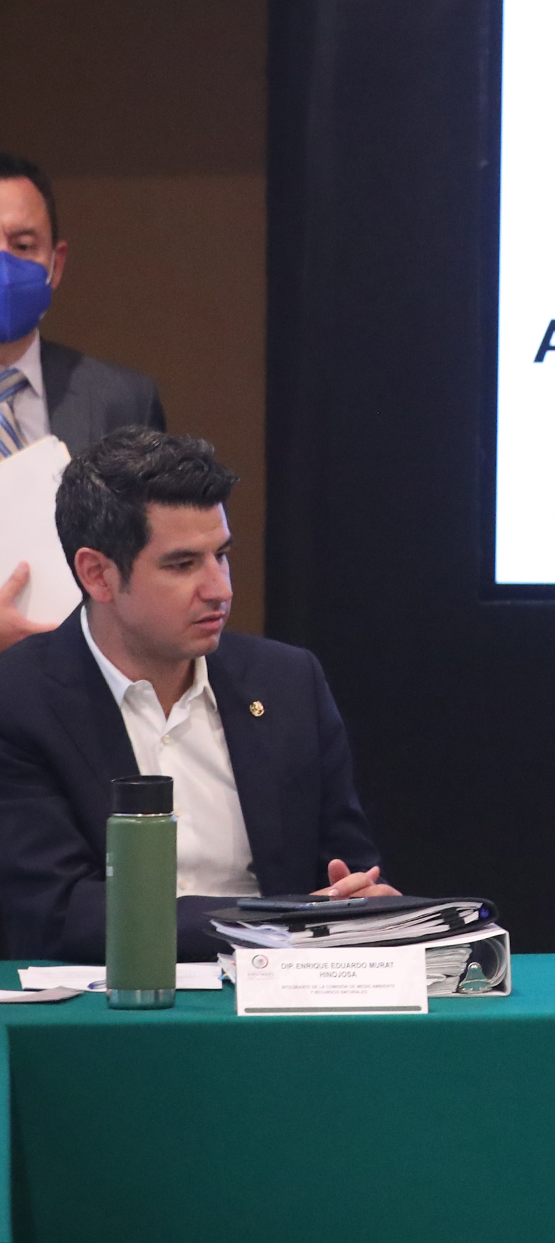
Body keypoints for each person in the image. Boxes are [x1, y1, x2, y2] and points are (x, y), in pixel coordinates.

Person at [0, 430, 394, 962]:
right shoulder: (19, 698)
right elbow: (58, 913)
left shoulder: (288, 682)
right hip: (108, 998)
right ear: (97, 574)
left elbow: (348, 869)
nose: (220, 589)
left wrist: (364, 902)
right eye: (183, 565)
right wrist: (278, 922)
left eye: (221, 556)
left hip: (281, 994)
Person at [0, 153, 169, 653]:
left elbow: (158, 558)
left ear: (56, 263)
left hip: (89, 678)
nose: (4, 264)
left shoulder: (122, 400)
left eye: (22, 246)